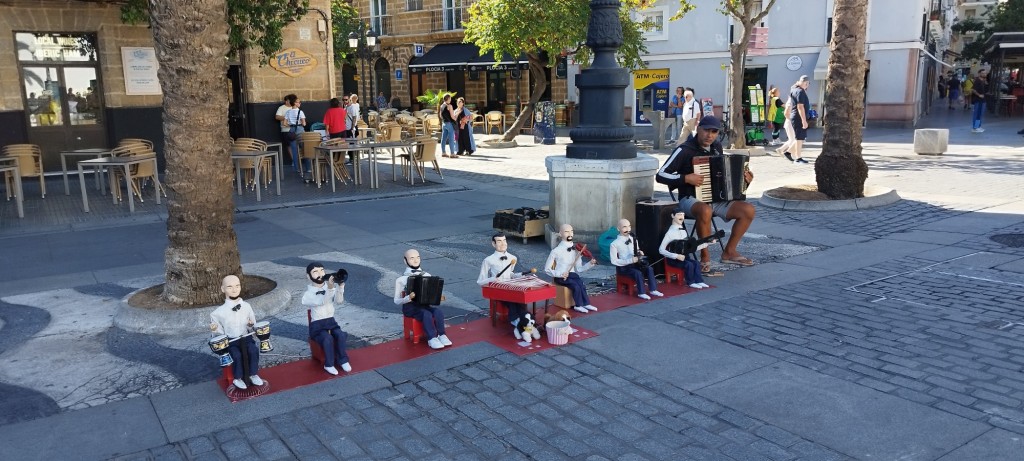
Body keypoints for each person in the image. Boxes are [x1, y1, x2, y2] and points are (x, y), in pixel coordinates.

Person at [656, 115, 756, 273]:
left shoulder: (717, 147)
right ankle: (705, 256)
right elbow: (661, 175)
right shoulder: (684, 150)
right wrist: (685, 178)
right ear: (698, 129)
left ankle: (729, 252)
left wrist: (746, 181)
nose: (710, 135)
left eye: (714, 132)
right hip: (689, 199)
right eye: (706, 131)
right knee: (705, 210)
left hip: (716, 199)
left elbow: (724, 177)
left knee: (748, 210)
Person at [210, 275, 264, 390]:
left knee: (253, 350)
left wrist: (250, 325)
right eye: (229, 287)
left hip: (246, 337)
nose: (234, 289)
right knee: (236, 355)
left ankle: (253, 374)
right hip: (231, 340)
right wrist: (215, 329)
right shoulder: (217, 313)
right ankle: (237, 378)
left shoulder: (247, 306)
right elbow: (218, 335)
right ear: (223, 289)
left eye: (237, 286)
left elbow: (253, 325)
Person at [393, 249, 452, 350]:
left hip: (424, 305)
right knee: (426, 314)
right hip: (410, 308)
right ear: (405, 261)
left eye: (418, 257)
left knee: (438, 312)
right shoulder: (401, 280)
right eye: (412, 258)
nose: (416, 260)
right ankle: (431, 338)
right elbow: (396, 300)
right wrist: (408, 298)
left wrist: (438, 297)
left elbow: (430, 293)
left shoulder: (427, 275)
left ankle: (441, 335)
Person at [302, 263, 352, 375]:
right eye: (315, 272)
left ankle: (343, 360)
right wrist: (330, 288)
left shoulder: (329, 287)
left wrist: (340, 286)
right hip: (317, 325)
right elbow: (322, 301)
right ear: (308, 276)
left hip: (331, 321)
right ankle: (328, 364)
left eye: (322, 270)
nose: (320, 274)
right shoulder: (308, 294)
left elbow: (339, 301)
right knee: (327, 339)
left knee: (340, 335)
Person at [477, 233, 529, 337]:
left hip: (511, 286)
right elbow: (480, 281)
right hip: (498, 289)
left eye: (504, 240)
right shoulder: (488, 260)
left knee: (522, 299)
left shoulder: (512, 258)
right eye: (499, 241)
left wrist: (520, 276)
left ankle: (526, 322)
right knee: (512, 301)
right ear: (493, 244)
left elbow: (510, 274)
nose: (503, 243)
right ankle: (517, 322)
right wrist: (492, 279)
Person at [544, 224, 598, 314]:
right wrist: (560, 274)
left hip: (572, 275)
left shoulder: (577, 250)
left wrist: (590, 264)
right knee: (575, 286)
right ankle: (578, 305)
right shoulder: (556, 251)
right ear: (560, 234)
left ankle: (586, 303)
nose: (570, 234)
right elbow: (546, 269)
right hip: (561, 277)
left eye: (571, 231)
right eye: (566, 231)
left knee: (581, 284)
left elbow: (579, 269)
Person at [609, 218, 663, 300]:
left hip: (636, 263)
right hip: (624, 267)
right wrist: (629, 261)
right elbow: (614, 261)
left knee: (649, 269)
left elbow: (636, 250)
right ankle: (641, 292)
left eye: (629, 226)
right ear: (618, 228)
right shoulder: (614, 244)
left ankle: (653, 289)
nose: (628, 229)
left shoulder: (633, 239)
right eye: (624, 227)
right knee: (637, 273)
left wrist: (639, 252)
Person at [658, 207, 710, 289]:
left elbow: (689, 247)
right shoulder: (670, 233)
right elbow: (661, 250)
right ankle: (690, 282)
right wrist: (676, 256)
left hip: (685, 257)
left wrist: (705, 244)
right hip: (674, 260)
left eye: (683, 215)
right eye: (679, 215)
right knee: (688, 264)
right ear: (673, 216)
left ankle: (699, 281)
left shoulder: (683, 231)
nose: (681, 217)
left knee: (696, 263)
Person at [778, 76, 811, 164]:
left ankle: (788, 152)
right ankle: (798, 158)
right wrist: (804, 120)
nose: (807, 86)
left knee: (799, 138)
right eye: (807, 84)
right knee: (799, 138)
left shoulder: (794, 90)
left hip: (795, 117)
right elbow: (800, 106)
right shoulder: (800, 91)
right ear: (806, 83)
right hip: (798, 117)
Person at [285, 101, 309, 180]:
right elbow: (304, 123)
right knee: (305, 149)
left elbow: (285, 123)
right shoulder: (300, 111)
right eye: (299, 102)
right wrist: (301, 123)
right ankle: (308, 168)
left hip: (292, 131)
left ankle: (297, 169)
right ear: (295, 103)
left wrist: (291, 125)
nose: (300, 103)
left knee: (294, 150)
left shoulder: (288, 112)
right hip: (300, 130)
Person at [276, 94, 299, 171]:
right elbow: (277, 117)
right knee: (289, 146)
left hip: (296, 129)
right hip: (286, 130)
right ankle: (294, 160)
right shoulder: (281, 108)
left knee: (297, 145)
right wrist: (287, 118)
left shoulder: (296, 107)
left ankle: (298, 160)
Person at [438, 94, 458, 158]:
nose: (451, 100)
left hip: (444, 123)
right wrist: (456, 119)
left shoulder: (442, 106)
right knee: (451, 139)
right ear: (448, 99)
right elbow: (452, 116)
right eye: (450, 98)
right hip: (449, 123)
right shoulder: (449, 106)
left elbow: (440, 115)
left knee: (443, 139)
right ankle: (452, 153)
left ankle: (443, 152)